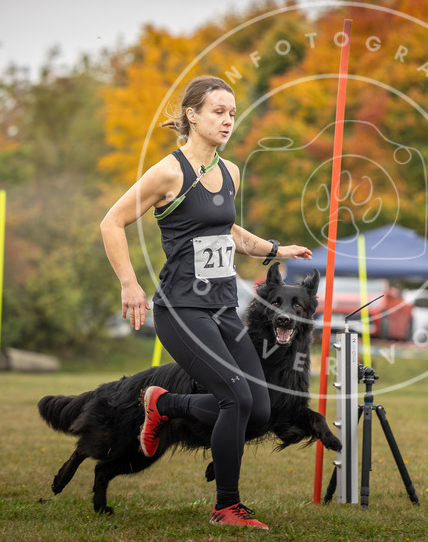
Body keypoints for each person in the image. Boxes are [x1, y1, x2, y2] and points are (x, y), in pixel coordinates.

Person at [100, 75, 312, 530]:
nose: (228, 120)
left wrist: (278, 249)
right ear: (192, 115)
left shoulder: (230, 172)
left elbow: (228, 232)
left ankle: (164, 405)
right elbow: (111, 223)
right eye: (218, 111)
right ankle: (226, 506)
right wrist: (128, 283)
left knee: (260, 410)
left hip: (221, 308)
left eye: (233, 113)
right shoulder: (169, 172)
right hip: (180, 308)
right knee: (235, 398)